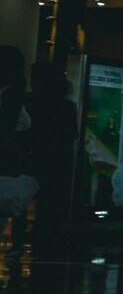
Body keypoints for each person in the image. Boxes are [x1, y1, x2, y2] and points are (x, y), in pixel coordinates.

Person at [24, 62, 79, 254]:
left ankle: (20, 242)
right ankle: (46, 243)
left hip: (31, 159)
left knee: (20, 201)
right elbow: (72, 134)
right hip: (57, 164)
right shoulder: (66, 107)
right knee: (50, 208)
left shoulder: (28, 101)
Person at [0, 47, 29, 254]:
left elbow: (8, 124)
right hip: (13, 153)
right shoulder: (16, 91)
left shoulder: (9, 93)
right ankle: (17, 243)